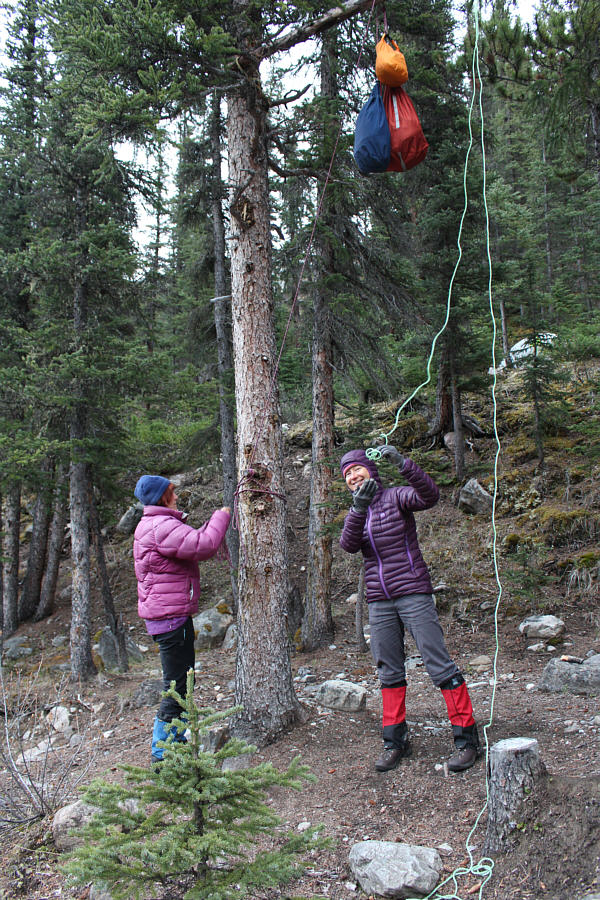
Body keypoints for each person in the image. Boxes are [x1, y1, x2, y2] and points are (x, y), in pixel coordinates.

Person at [339, 446, 480, 774]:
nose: (353, 477)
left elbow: (430, 495)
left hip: (413, 591)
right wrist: (358, 508)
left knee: (439, 664)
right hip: (379, 600)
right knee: (388, 671)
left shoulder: (397, 497)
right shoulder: (356, 510)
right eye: (347, 475)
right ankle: (395, 741)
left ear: (371, 471)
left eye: (357, 470)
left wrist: (403, 463)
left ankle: (467, 740)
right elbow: (348, 545)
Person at [133, 474, 231, 762]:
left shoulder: (155, 525)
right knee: (176, 689)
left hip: (169, 616)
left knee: (179, 685)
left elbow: (190, 543)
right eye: (171, 492)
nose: (176, 496)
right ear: (162, 497)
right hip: (171, 619)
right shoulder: (159, 526)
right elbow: (204, 545)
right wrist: (221, 516)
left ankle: (173, 747)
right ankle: (163, 757)